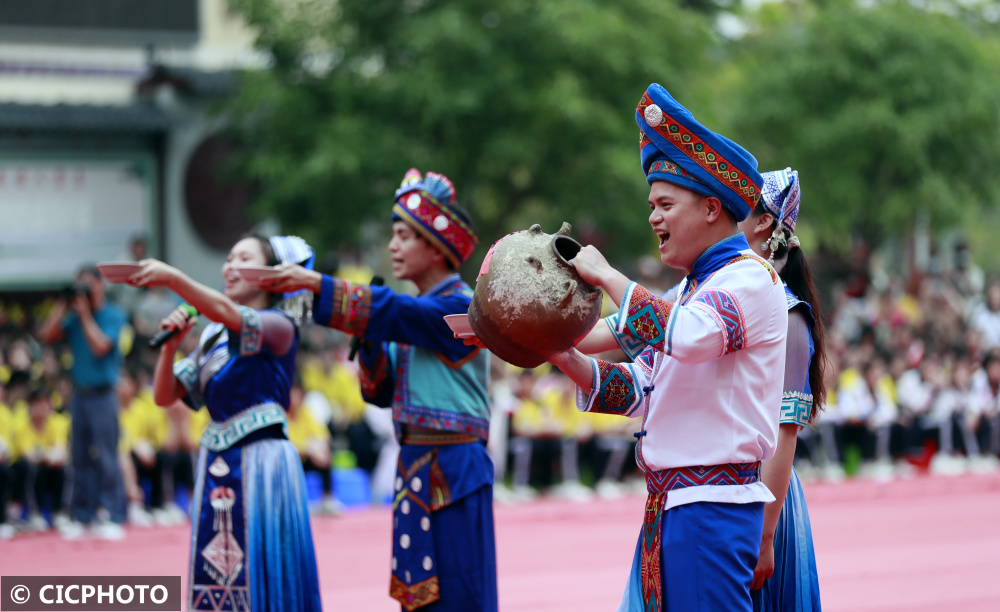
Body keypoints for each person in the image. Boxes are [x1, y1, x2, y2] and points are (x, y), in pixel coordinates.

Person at [545, 84, 787, 611]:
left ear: (710, 207)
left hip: (712, 508)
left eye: (665, 204)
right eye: (651, 204)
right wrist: (553, 345)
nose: (653, 217)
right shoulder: (687, 292)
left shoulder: (751, 279)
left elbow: (692, 337)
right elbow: (634, 386)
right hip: (674, 505)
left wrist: (607, 275)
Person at [262, 168, 495, 611]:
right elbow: (380, 390)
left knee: (462, 591)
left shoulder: (464, 307)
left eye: (404, 235)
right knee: (420, 596)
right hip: (414, 465)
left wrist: (317, 285)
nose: (393, 246)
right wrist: (367, 342)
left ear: (438, 246)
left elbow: (397, 313)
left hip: (455, 467)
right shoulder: (413, 312)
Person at [128, 234, 322, 612]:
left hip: (263, 462)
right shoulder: (213, 336)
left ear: (271, 275)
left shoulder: (281, 326)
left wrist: (172, 278)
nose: (229, 266)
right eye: (228, 257)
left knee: (264, 565)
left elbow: (230, 314)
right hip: (218, 463)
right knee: (220, 568)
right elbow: (165, 395)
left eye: (243, 258)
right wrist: (171, 346)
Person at [737, 168, 826, 611]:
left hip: (762, 500)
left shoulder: (789, 318)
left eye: (738, 208)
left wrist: (765, 536)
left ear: (762, 224)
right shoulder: (725, 294)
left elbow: (783, 431)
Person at [39, 265, 128, 540]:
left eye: (87, 286)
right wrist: (62, 306)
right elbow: (46, 336)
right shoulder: (73, 317)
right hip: (80, 394)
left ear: (100, 286)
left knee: (106, 455)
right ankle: (83, 515)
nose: (83, 292)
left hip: (104, 394)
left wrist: (85, 314)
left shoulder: (113, 315)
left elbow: (101, 346)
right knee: (78, 457)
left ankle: (113, 515)